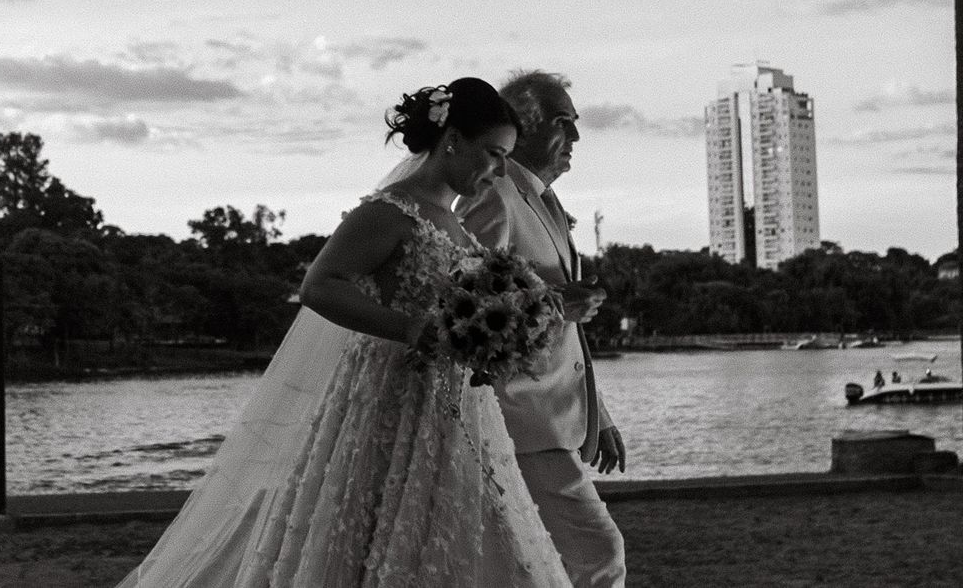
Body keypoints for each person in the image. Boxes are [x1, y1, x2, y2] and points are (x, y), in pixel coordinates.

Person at [115, 77, 573, 587]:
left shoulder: (457, 225)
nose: (499, 171)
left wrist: (513, 324)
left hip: (455, 404)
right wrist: (408, 328)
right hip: (390, 398)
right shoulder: (390, 212)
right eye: (492, 154)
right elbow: (319, 286)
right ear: (452, 140)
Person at [457, 70, 627, 588]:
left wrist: (598, 415)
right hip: (519, 418)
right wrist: (557, 304)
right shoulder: (493, 196)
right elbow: (468, 310)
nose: (575, 136)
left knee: (533, 566)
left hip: (554, 418)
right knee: (599, 553)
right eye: (562, 122)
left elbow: (565, 333)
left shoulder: (540, 199)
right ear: (522, 125)